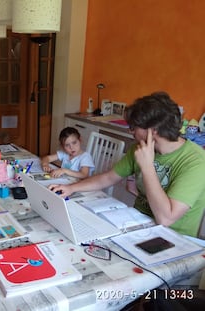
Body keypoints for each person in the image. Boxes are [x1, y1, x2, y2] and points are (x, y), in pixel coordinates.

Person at [50, 92, 205, 237]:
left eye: (133, 127)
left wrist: (147, 167)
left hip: (173, 239)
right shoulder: (141, 147)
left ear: (153, 131)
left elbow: (166, 219)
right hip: (137, 226)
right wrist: (71, 188)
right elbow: (108, 178)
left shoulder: (195, 161)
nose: (131, 132)